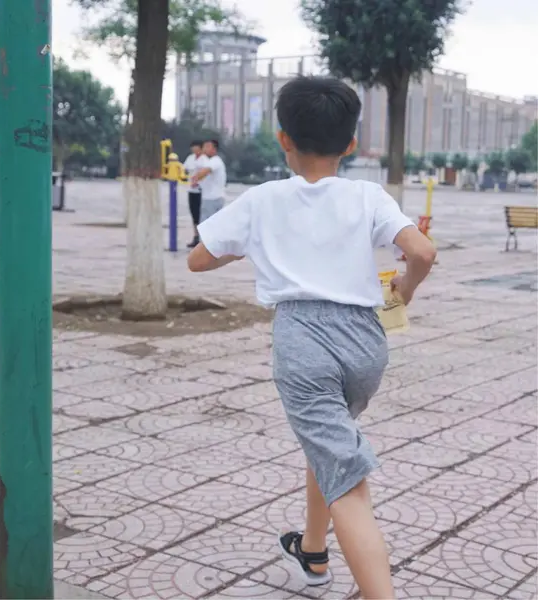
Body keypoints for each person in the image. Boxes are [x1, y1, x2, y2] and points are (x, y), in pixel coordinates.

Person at [187, 75, 436, 599]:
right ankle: (314, 552)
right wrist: (405, 292)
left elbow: (198, 259)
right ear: (350, 144)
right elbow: (422, 252)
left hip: (303, 341)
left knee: (346, 476)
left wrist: (253, 243)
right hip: (367, 344)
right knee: (328, 445)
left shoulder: (264, 199)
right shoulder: (368, 195)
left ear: (283, 138)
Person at [191, 139, 227, 224]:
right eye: (204, 146)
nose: (204, 149)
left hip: (212, 199)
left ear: (214, 149)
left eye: (207, 146)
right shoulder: (210, 161)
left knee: (207, 227)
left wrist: (195, 178)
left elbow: (205, 171)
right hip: (211, 198)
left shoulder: (215, 160)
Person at [183, 140, 208, 248]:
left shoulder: (205, 160)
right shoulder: (190, 158)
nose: (195, 151)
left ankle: (204, 238)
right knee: (194, 215)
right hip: (192, 190)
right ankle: (196, 236)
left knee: (201, 214)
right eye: (193, 149)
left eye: (197, 149)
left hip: (202, 191)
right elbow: (185, 170)